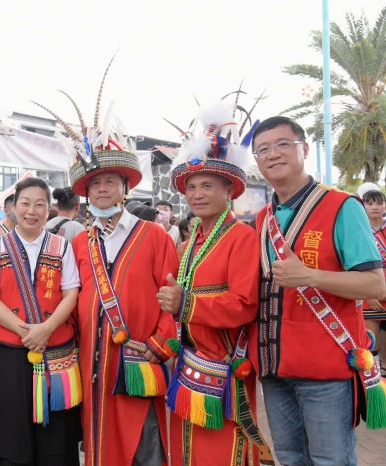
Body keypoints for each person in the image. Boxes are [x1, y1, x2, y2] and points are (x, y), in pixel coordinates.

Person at [34, 67, 179, 466]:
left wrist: (159, 346)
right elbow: (71, 299)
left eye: (110, 181)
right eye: (95, 183)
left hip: (138, 358)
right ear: (86, 192)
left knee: (145, 447)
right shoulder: (79, 242)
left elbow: (172, 300)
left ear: (125, 188)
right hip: (91, 362)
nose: (102, 188)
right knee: (98, 445)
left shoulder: (154, 236)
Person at [250, 116, 386, 464]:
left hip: (325, 367)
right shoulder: (262, 218)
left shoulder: (343, 206)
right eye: (263, 149)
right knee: (290, 458)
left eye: (283, 144)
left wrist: (309, 275)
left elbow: (375, 283)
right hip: (273, 365)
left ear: (305, 149)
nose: (273, 154)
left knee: (331, 460)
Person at [158, 102, 272, 465]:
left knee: (222, 451)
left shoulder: (241, 237)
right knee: (188, 451)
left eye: (207, 185)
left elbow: (243, 305)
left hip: (225, 366)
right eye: (191, 187)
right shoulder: (192, 240)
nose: (197, 194)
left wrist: (185, 304)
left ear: (229, 190)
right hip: (189, 363)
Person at [0, 176, 82, 466]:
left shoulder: (62, 247)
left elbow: (71, 294)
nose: (31, 211)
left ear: (49, 209)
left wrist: (46, 329)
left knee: (57, 439)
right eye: (25, 203)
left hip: (56, 350)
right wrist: (26, 332)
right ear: (14, 207)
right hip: (10, 351)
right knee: (11, 433)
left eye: (39, 204)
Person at [359, 189, 386, 371]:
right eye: (369, 203)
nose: (375, 207)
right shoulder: (359, 230)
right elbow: (355, 265)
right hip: (370, 290)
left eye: (379, 203)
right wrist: (369, 294)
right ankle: (372, 377)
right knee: (371, 340)